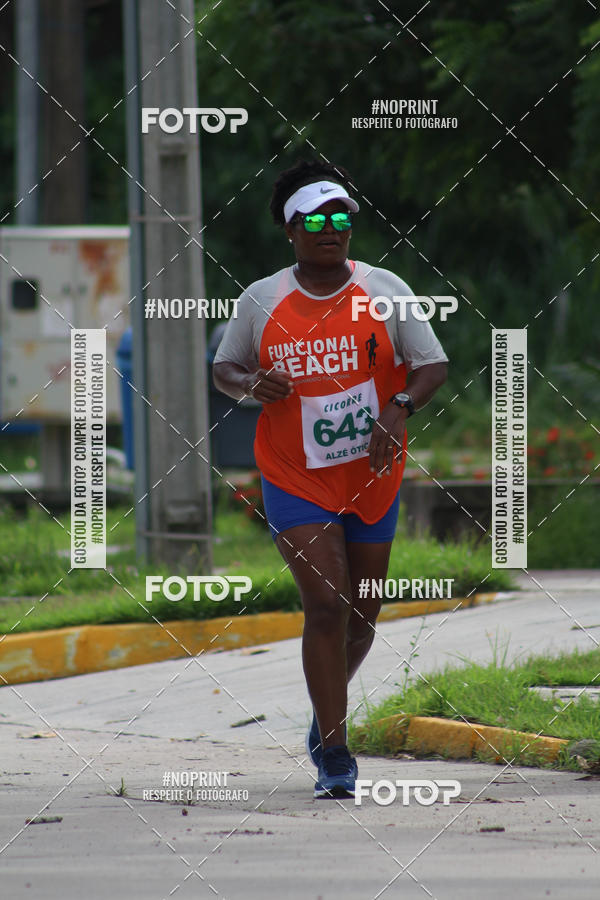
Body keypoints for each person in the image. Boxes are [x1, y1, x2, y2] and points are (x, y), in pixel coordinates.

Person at [213, 160, 448, 798]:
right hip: (295, 476)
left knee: (364, 611)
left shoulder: (386, 289)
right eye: (314, 220)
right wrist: (250, 384)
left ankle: (325, 715)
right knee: (326, 603)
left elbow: (431, 364)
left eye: (340, 218)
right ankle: (336, 756)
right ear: (290, 230)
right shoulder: (262, 299)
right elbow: (225, 367)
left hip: (372, 474)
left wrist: (399, 407)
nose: (330, 230)